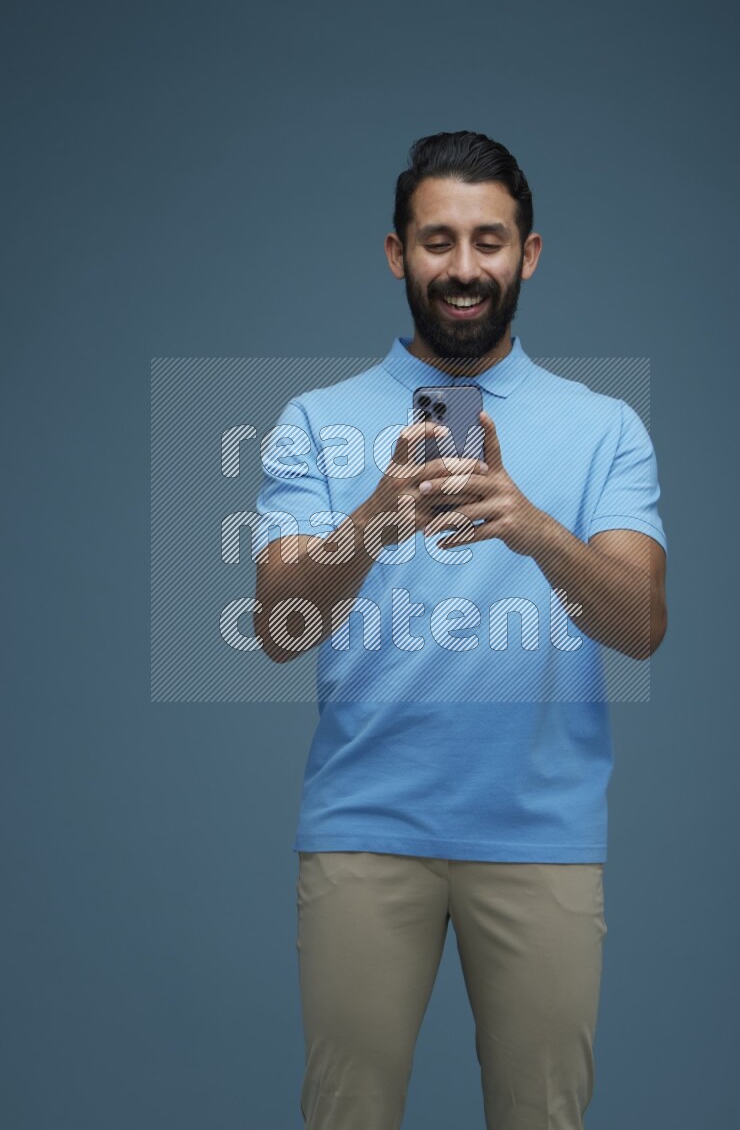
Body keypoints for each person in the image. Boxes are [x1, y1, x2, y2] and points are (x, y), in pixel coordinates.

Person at [252, 130, 668, 1130]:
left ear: (526, 254)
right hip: (363, 828)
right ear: (397, 254)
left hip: (541, 836)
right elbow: (276, 625)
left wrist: (531, 528)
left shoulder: (603, 425)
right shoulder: (314, 419)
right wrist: (371, 520)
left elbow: (640, 622)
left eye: (488, 240)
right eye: (437, 241)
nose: (463, 266)